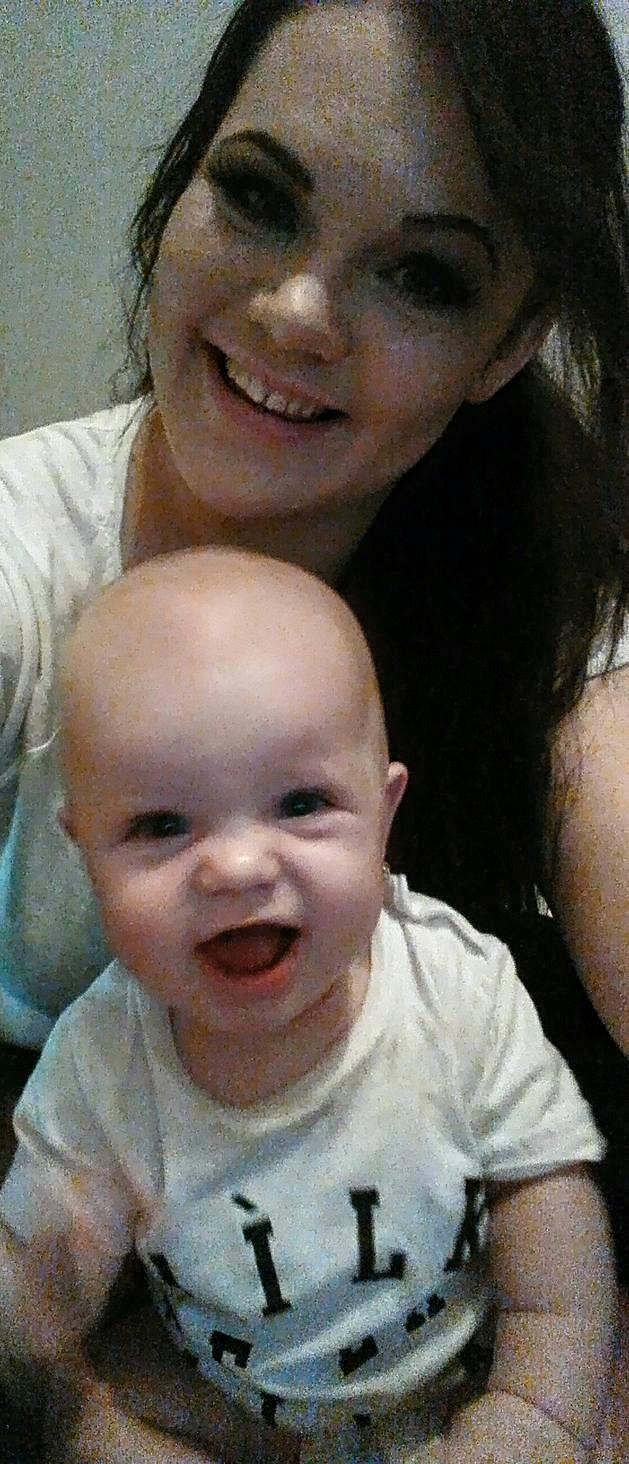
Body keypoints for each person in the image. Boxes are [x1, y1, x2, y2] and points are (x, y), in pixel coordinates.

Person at [0, 0, 627, 1448]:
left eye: (421, 275)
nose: (295, 312)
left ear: (507, 341)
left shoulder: (532, 599)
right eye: (259, 197)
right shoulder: (31, 563)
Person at [0, 548, 616, 1464]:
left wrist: (534, 1408)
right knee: (89, 1420)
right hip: (231, 1397)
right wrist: (46, 1285)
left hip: (453, 1371)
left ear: (383, 814)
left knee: (588, 1385)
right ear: (85, 847)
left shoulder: (454, 987)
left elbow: (545, 1196)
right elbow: (43, 1284)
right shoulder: (102, 1061)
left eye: (300, 803)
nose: (236, 867)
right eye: (161, 825)